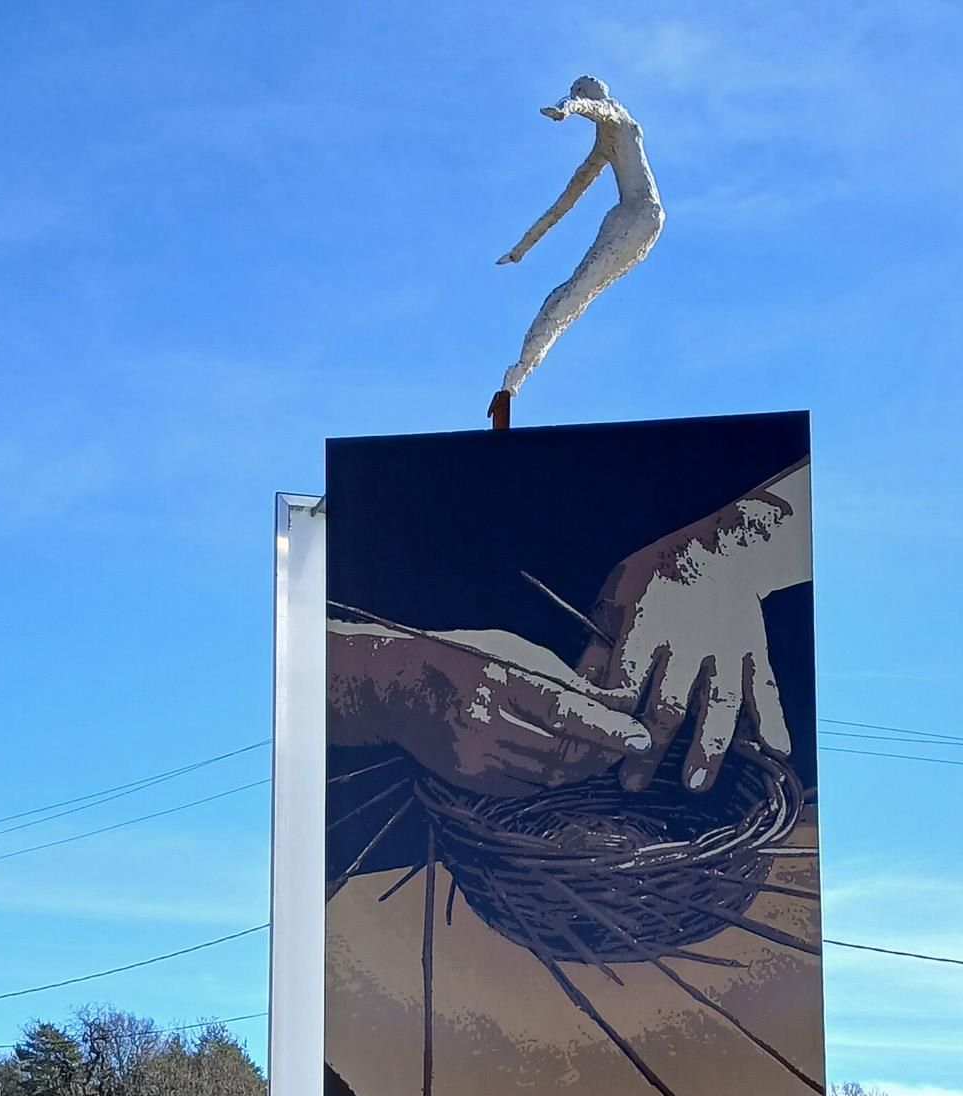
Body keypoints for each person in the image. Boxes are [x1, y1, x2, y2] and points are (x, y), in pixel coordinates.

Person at [327, 458, 810, 799]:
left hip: (743, 788)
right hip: (428, 801)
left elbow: (861, 460)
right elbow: (271, 639)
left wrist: (733, 548)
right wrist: (385, 680)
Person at [495, 76, 664, 400]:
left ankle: (519, 372)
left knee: (578, 292)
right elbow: (564, 203)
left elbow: (596, 109)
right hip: (625, 218)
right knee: (567, 293)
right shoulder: (603, 145)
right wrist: (521, 248)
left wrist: (566, 108)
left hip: (643, 216)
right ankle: (518, 371)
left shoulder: (618, 116)